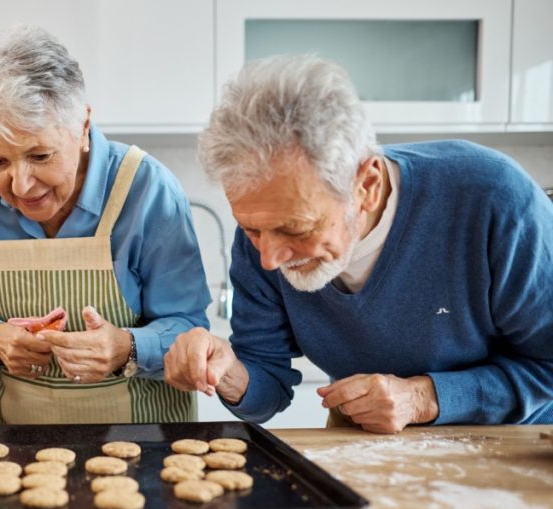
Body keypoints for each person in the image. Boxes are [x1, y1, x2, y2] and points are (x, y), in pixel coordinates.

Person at [164, 55, 553, 433]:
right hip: (367, 442)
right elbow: (268, 383)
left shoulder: (494, 198)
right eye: (251, 230)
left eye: (296, 229)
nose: (268, 258)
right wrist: (227, 371)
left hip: (515, 444)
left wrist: (423, 398)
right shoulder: (265, 228)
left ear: (365, 186)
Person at [0, 26, 211, 424]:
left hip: (144, 438)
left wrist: (126, 347)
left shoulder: (148, 192)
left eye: (40, 155)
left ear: (83, 127)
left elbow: (190, 327)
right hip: (12, 437)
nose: (21, 185)